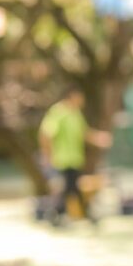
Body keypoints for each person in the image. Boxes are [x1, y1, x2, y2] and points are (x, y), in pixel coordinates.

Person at [38, 86, 111, 225]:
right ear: (72, 96)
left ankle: (62, 214)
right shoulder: (58, 112)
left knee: (72, 187)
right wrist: (47, 155)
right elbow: (46, 134)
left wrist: (98, 138)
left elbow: (84, 132)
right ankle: (59, 214)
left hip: (75, 159)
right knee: (70, 188)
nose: (82, 101)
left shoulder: (75, 113)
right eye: (80, 97)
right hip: (62, 159)